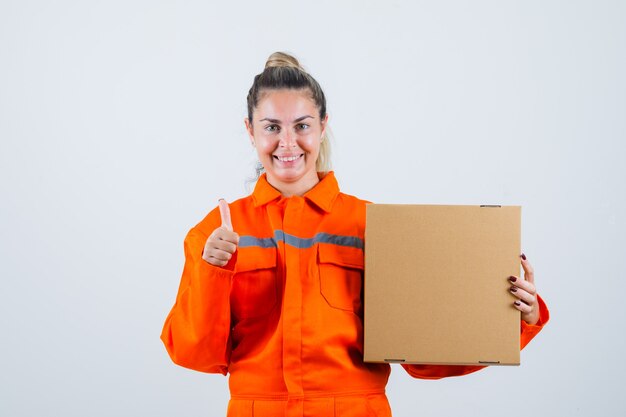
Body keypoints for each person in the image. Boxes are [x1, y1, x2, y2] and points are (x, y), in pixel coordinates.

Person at [161, 52, 550, 417]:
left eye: (302, 126)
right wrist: (213, 270)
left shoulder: (370, 225)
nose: (287, 143)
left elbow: (422, 350)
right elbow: (195, 354)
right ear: (250, 130)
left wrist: (515, 319)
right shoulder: (219, 231)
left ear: (323, 125)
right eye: (271, 127)